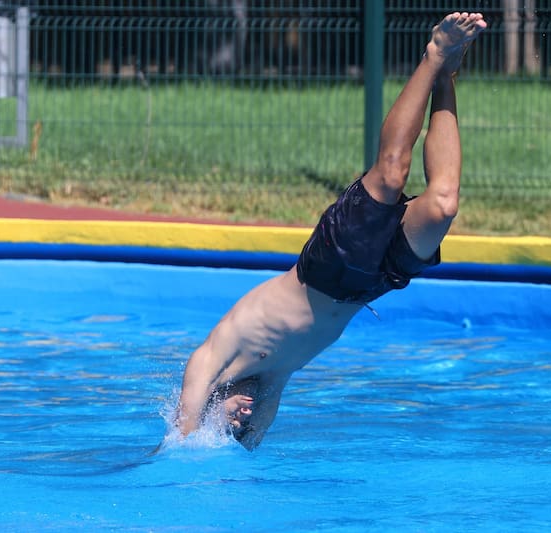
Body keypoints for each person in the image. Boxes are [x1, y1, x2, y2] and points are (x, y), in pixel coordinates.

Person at [174, 12, 487, 450]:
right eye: (241, 425)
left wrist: (190, 433)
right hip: (368, 288)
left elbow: (181, 440)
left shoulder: (213, 360)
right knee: (443, 206)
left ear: (210, 405)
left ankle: (434, 52)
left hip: (328, 266)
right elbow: (246, 448)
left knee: (391, 174)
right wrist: (239, 439)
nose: (243, 419)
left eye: (231, 421)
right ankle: (447, 74)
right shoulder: (271, 381)